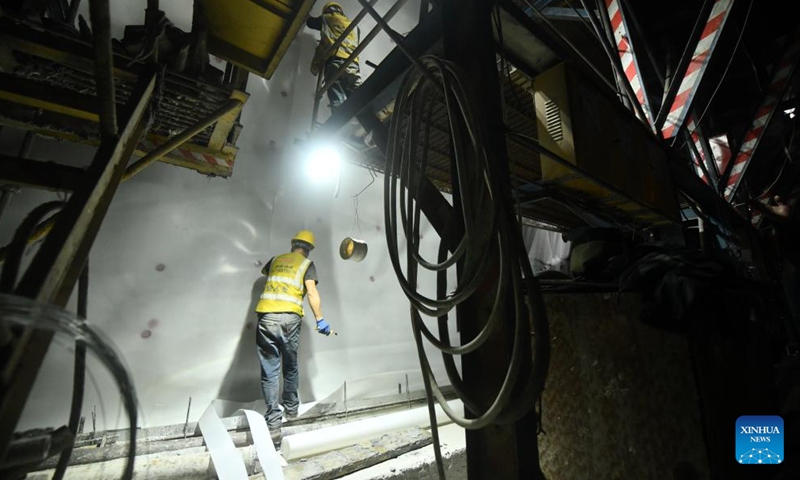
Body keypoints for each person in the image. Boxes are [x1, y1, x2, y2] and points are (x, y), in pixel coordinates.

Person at [255, 230, 332, 448]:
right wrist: (320, 320)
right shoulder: (307, 264)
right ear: (309, 249)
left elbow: (266, 273)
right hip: (289, 317)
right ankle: (291, 410)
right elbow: (312, 293)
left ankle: (273, 424)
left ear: (293, 244)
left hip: (267, 316)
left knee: (269, 371)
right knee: (290, 366)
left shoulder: (275, 260)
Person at [307, 2, 362, 112]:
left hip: (334, 62)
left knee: (337, 98)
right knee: (359, 99)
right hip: (353, 64)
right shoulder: (355, 26)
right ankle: (366, 121)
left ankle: (339, 124)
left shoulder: (326, 19)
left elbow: (310, 22)